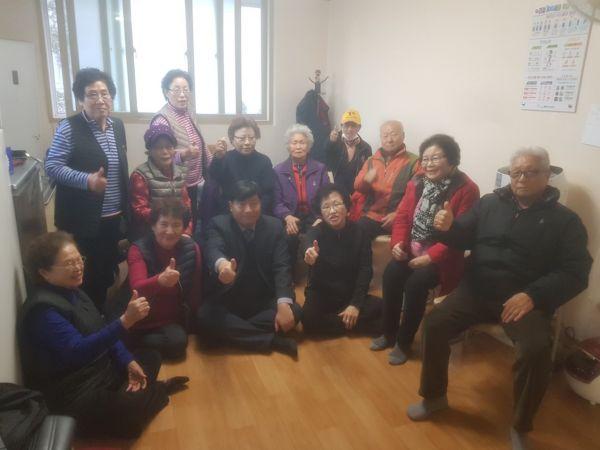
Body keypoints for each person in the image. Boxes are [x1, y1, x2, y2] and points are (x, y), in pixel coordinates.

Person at [406, 147, 593, 450]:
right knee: (434, 324)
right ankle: (434, 397)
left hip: (524, 299)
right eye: (515, 172)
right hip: (477, 290)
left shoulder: (566, 221)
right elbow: (462, 236)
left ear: (547, 176)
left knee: (535, 349)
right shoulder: (489, 203)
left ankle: (521, 425)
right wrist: (449, 227)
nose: (521, 179)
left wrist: (533, 295)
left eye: (530, 172)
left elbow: (576, 272)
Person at [19, 232, 189, 438]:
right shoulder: (43, 311)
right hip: (73, 391)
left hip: (101, 369)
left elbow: (100, 328)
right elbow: (79, 352)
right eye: (69, 263)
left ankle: (140, 393)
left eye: (79, 259)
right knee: (129, 416)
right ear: (44, 273)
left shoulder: (73, 291)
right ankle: (156, 392)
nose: (78, 267)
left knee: (151, 355)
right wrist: (125, 321)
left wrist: (127, 361)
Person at [370, 134, 479, 364]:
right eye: (425, 159)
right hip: (412, 248)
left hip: (443, 258)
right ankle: (388, 333)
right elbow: (402, 216)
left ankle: (404, 342)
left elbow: (461, 235)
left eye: (436, 158)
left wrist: (430, 257)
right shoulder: (417, 182)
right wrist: (398, 244)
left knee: (416, 284)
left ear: (452, 160)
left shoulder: (467, 189)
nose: (428, 164)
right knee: (391, 274)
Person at [45, 68, 129, 311]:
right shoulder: (69, 127)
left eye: (105, 93)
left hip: (113, 216)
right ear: (80, 99)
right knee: (83, 274)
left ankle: (101, 313)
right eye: (92, 94)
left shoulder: (117, 126)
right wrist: (87, 181)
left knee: (106, 268)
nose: (100, 99)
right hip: (82, 220)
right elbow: (52, 166)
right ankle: (84, 318)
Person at [197, 180, 302, 357]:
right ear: (231, 206)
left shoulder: (274, 226)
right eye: (241, 204)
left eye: (254, 204)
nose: (248, 210)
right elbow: (213, 249)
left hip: (262, 299)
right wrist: (222, 266)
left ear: (261, 203)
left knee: (295, 311)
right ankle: (271, 340)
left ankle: (234, 334)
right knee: (204, 317)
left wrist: (283, 304)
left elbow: (282, 266)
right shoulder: (218, 224)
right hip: (229, 301)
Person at [302, 185, 382, 335]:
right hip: (323, 294)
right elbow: (309, 241)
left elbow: (365, 270)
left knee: (385, 307)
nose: (332, 211)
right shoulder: (317, 231)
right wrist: (309, 252)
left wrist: (355, 305)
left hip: (349, 293)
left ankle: (341, 320)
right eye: (326, 207)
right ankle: (351, 323)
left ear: (346, 208)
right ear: (321, 213)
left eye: (336, 204)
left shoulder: (360, 232)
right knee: (308, 319)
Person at [127, 200, 202, 359]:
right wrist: (160, 281)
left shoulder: (191, 248)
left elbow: (195, 291)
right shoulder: (138, 248)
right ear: (153, 226)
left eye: (176, 225)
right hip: (138, 316)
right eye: (163, 224)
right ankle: (126, 341)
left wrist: (194, 323)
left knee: (178, 343)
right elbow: (137, 288)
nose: (169, 231)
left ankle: (131, 344)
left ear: (184, 228)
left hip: (169, 320)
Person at [151, 69, 223, 233]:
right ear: (166, 92)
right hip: (176, 184)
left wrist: (213, 162)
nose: (183, 95)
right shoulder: (161, 119)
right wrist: (184, 154)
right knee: (181, 224)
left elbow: (200, 142)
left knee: (196, 220)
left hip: (196, 180)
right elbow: (158, 157)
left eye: (186, 90)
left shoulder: (189, 112)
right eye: (177, 90)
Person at [352, 120, 420, 240]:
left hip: (399, 218)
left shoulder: (414, 162)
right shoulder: (371, 160)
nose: (389, 139)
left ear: (403, 136)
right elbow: (357, 187)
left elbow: (415, 195)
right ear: (381, 138)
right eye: (385, 136)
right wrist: (365, 180)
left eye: (394, 134)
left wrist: (398, 214)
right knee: (355, 232)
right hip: (371, 216)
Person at [273, 124, 330, 264]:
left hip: (314, 216)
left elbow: (327, 197)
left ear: (309, 146)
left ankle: (315, 271)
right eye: (294, 143)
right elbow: (276, 202)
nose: (298, 147)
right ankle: (289, 273)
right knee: (288, 238)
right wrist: (287, 216)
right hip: (291, 216)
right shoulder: (278, 171)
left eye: (302, 143)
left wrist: (321, 217)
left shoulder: (320, 168)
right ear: (288, 146)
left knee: (317, 235)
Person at [129, 124, 192, 239]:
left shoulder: (181, 172)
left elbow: (187, 206)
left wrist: (186, 232)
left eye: (169, 147)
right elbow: (139, 210)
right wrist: (166, 223)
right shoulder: (140, 175)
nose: (165, 151)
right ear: (149, 151)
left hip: (177, 232)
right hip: (150, 234)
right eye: (158, 147)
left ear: (174, 150)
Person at [209, 116, 276, 215]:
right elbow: (213, 179)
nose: (247, 142)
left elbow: (268, 193)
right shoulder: (225, 158)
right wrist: (218, 158)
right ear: (232, 139)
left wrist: (256, 213)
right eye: (242, 138)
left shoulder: (264, 161)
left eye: (251, 138)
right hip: (229, 212)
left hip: (257, 212)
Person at [325, 109, 372, 196]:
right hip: (335, 188)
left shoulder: (366, 148)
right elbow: (325, 156)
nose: (349, 129)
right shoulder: (334, 141)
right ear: (341, 126)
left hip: (356, 190)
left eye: (353, 126)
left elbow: (367, 170)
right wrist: (331, 142)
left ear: (359, 127)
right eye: (346, 125)